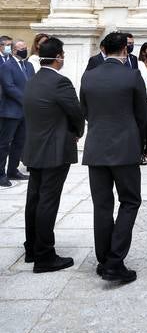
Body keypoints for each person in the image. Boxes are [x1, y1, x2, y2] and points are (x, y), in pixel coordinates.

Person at [80, 31, 147, 283]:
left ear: (104, 50)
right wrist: (137, 143)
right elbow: (142, 115)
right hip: (125, 148)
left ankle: (103, 258)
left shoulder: (88, 77)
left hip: (96, 148)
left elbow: (85, 111)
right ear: (124, 51)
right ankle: (115, 260)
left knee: (102, 205)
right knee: (130, 201)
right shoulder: (132, 76)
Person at [22, 36, 85, 273]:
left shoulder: (33, 80)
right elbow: (75, 112)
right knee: (48, 201)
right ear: (58, 57)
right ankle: (45, 255)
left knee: (34, 200)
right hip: (55, 149)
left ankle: (32, 248)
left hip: (35, 147)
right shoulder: (60, 83)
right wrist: (78, 131)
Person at [0, 38, 35, 188]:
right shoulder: (7, 66)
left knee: (19, 143)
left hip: (25, 112)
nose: (24, 50)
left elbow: (33, 83)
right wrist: (26, 99)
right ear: (14, 50)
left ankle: (12, 170)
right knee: (4, 144)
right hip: (10, 111)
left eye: (26, 47)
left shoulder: (29, 65)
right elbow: (9, 87)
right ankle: (1, 174)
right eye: (21, 48)